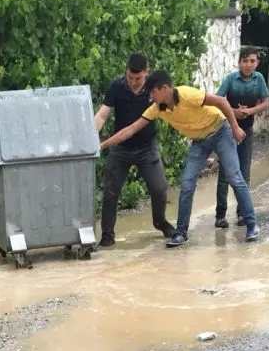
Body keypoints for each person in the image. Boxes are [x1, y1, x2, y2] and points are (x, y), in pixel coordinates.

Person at [101, 69, 259, 247]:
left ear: (165, 88)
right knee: (186, 184)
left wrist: (235, 127)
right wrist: (102, 146)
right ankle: (181, 233)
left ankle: (252, 225)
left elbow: (221, 101)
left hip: (220, 131)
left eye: (153, 92)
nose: (151, 97)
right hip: (199, 141)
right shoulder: (157, 109)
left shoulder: (187, 94)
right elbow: (130, 129)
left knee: (234, 177)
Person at [94, 52, 175, 247]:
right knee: (110, 193)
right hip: (120, 147)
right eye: (130, 77)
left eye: (137, 79)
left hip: (147, 148)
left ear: (146, 73)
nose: (132, 82)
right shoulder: (116, 86)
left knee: (159, 188)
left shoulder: (153, 90)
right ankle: (107, 235)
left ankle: (160, 222)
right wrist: (92, 134)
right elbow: (103, 115)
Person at [215, 46, 269, 228]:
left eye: (252, 61)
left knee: (244, 173)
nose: (248, 65)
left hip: (247, 130)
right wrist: (234, 112)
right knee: (225, 174)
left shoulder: (259, 79)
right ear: (239, 63)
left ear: (257, 63)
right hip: (227, 131)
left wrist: (250, 111)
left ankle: (241, 214)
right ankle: (220, 215)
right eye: (245, 61)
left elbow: (265, 102)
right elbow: (217, 100)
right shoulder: (231, 79)